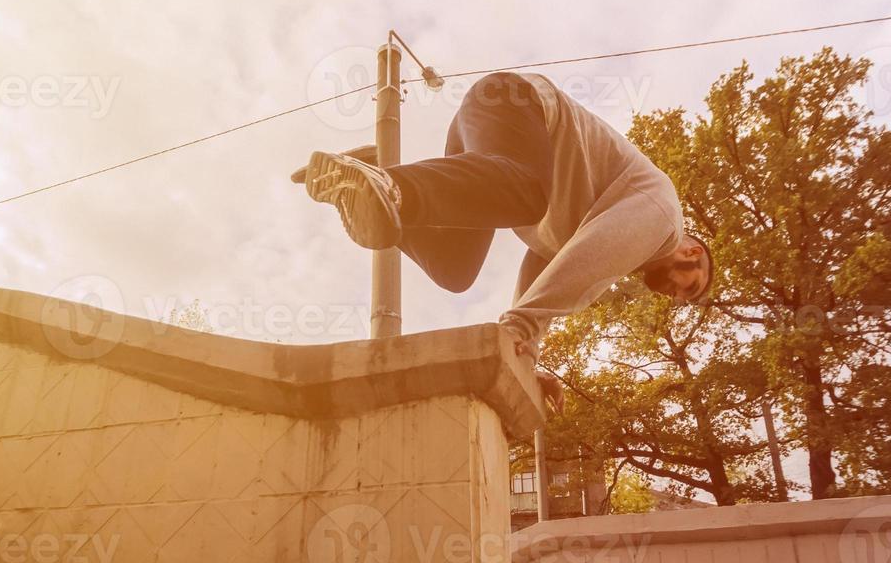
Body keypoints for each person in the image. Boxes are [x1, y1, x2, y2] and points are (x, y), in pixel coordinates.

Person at [299, 71, 713, 412]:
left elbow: (551, 269)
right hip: (517, 103)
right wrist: (522, 325)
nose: (677, 297)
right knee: (528, 195)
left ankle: (371, 173)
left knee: (454, 268)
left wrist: (523, 354)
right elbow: (592, 262)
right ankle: (392, 186)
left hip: (478, 134)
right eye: (690, 286)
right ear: (692, 252)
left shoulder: (607, 221)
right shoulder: (663, 221)